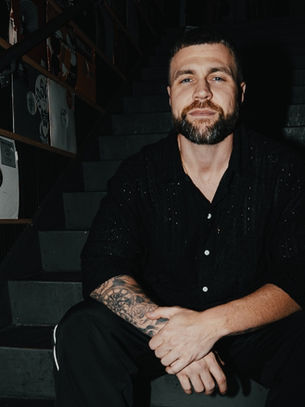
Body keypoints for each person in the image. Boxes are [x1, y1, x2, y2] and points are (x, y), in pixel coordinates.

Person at [53, 27, 305, 407]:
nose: (201, 92)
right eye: (186, 79)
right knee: (82, 328)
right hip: (159, 328)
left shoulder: (284, 170)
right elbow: (103, 263)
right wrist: (172, 332)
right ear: (171, 95)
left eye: (217, 77)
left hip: (249, 330)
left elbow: (297, 273)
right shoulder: (139, 175)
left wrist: (208, 327)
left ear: (241, 92)